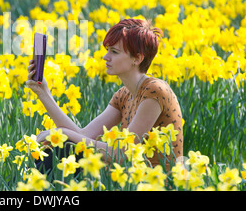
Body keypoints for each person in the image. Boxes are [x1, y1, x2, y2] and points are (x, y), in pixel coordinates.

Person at [26, 18, 183, 172]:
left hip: (156, 184)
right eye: (107, 50)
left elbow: (121, 154)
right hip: (129, 179)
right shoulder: (124, 95)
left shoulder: (155, 91)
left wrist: (63, 133)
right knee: (60, 149)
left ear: (137, 58)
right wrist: (42, 92)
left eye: (114, 52)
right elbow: (83, 135)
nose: (105, 57)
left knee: (64, 149)